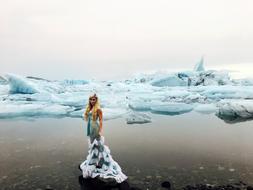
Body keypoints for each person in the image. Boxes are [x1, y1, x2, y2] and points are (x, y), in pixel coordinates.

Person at [79, 93, 128, 183]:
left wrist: (100, 131)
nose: (92, 101)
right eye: (91, 99)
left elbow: (101, 120)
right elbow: (87, 118)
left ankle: (103, 162)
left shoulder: (98, 109)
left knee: (98, 145)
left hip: (95, 128)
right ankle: (95, 161)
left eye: (94, 99)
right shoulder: (90, 108)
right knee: (92, 145)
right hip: (90, 127)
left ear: (96, 100)